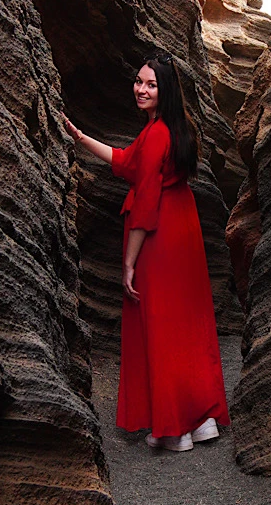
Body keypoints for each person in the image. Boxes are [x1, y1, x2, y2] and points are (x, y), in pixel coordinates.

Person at [64, 55, 229, 451]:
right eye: (138, 82)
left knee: (160, 325)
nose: (140, 89)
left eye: (150, 85)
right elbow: (128, 162)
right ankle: (202, 419)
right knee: (186, 323)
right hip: (183, 230)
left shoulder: (158, 134)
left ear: (165, 90)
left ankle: (174, 430)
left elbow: (145, 205)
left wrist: (129, 261)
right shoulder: (172, 128)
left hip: (160, 235)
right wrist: (82, 139)